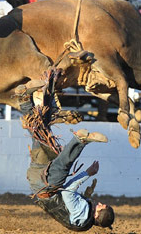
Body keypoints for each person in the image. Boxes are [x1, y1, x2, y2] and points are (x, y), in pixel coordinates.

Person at [20, 80, 115, 231]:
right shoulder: (83, 219)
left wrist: (86, 173)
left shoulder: (82, 212)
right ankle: (24, 100)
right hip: (38, 182)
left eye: (102, 207)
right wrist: (86, 197)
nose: (102, 204)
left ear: (97, 216)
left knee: (63, 167)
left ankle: (80, 140)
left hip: (46, 185)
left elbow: (69, 190)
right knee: (40, 132)